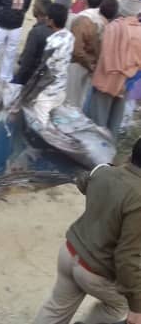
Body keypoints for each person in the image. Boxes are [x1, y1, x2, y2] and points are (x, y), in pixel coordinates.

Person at [32, 137, 141, 324]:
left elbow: (83, 182)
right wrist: (137, 306)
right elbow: (127, 257)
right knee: (120, 305)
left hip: (70, 252)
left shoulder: (105, 172)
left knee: (56, 309)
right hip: (94, 271)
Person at [86, 0, 141, 137]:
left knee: (98, 121)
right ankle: (109, 146)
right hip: (126, 83)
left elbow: (106, 55)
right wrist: (128, 76)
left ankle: (95, 148)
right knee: (115, 121)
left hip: (106, 80)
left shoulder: (113, 27)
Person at [66, 0, 117, 109]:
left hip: (89, 67)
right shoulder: (86, 20)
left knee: (80, 102)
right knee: (71, 101)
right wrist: (90, 64)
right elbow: (77, 50)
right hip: (77, 64)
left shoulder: (104, 23)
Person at [31, 3, 74, 125]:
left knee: (41, 125)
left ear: (51, 21)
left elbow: (45, 68)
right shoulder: (70, 36)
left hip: (49, 91)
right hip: (61, 88)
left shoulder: (52, 42)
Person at [13, 0, 54, 85]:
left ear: (37, 10)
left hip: (30, 76)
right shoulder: (53, 29)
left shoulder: (36, 32)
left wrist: (19, 77)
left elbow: (27, 59)